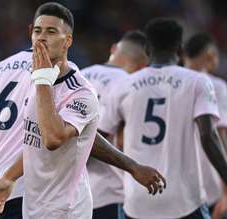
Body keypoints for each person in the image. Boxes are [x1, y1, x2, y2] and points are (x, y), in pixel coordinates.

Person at [0, 3, 165, 219]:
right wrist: (9, 178)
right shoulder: (40, 84)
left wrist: (42, 80)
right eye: (37, 31)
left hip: (66, 210)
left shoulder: (80, 92)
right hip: (34, 208)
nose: (41, 38)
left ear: (67, 41)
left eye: (51, 32)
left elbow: (53, 138)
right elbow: (37, 141)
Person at [99, 17, 227, 218]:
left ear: (148, 49)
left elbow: (100, 139)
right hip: (184, 200)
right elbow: (208, 136)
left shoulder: (123, 86)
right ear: (180, 49)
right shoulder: (197, 82)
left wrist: (130, 167)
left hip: (137, 199)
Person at [81, 30, 148, 219]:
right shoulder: (132, 85)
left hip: (71, 194)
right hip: (109, 193)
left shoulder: (77, 76)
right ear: (143, 66)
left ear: (114, 49)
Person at [184, 32, 227, 218]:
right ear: (210, 55)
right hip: (209, 180)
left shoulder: (172, 82)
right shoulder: (214, 85)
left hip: (176, 180)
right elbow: (221, 134)